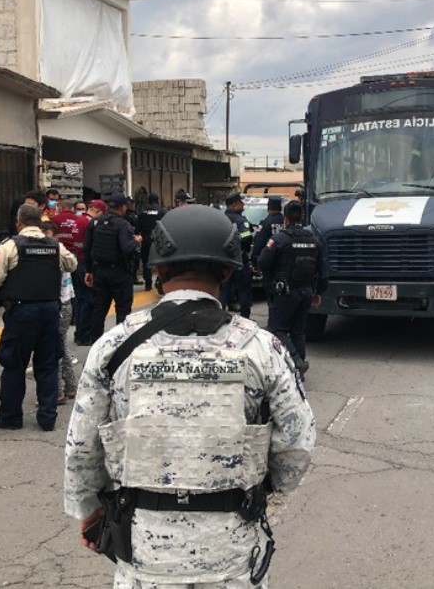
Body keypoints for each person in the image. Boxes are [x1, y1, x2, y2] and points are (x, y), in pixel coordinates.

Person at [64, 204, 315, 589]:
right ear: (229, 271)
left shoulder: (114, 346)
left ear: (159, 271)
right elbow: (297, 444)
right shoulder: (264, 348)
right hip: (232, 554)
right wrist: (262, 490)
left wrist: (91, 509)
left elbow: (82, 447)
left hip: (144, 554)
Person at [0, 204, 77, 431]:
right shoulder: (55, 246)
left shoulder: (9, 246)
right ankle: (47, 419)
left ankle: (11, 417)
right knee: (47, 366)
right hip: (49, 311)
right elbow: (72, 264)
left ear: (19, 223)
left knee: (14, 365)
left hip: (21, 312)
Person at [257, 201, 326, 377]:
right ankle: (298, 371)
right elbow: (323, 270)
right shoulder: (313, 240)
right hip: (306, 292)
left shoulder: (278, 240)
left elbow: (262, 262)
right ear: (301, 217)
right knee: (298, 331)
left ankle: (296, 361)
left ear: (285, 219)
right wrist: (318, 292)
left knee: (277, 329)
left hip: (284, 293)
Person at [83, 193, 140, 343]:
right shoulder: (123, 224)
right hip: (119, 272)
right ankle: (120, 341)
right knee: (123, 309)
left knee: (99, 308)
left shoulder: (95, 222)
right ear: (123, 207)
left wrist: (89, 270)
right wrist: (137, 241)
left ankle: (95, 341)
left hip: (99, 271)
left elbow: (87, 247)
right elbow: (127, 248)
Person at [42, 221, 77, 405]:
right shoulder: (60, 250)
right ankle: (70, 386)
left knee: (52, 349)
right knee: (61, 346)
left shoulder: (57, 251)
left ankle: (57, 391)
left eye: (47, 233)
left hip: (60, 304)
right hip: (63, 302)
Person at [51, 199, 91, 325]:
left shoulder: (55, 219)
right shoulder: (78, 220)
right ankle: (74, 317)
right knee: (75, 290)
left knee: (63, 288)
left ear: (61, 207)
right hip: (75, 255)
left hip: (59, 255)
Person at [74, 199, 107, 346]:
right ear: (99, 211)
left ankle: (79, 332)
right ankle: (84, 334)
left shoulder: (78, 220)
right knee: (89, 300)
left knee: (80, 299)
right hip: (85, 263)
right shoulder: (90, 223)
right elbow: (90, 245)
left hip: (76, 260)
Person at [219, 192, 253, 319]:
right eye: (240, 203)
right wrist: (238, 240)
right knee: (243, 290)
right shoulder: (240, 220)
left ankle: (219, 315)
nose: (243, 205)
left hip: (223, 260)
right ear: (234, 205)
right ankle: (245, 318)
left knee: (223, 290)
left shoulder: (219, 219)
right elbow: (247, 237)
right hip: (239, 260)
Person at [135, 193, 166, 291]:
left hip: (146, 239)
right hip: (159, 239)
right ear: (157, 200)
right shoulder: (162, 212)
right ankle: (160, 281)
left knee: (146, 263)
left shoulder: (142, 212)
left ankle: (148, 284)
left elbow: (137, 228)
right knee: (161, 261)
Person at [250, 196, 284, 271]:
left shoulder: (265, 223)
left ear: (268, 207)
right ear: (280, 208)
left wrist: (255, 261)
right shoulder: (286, 222)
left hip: (270, 262)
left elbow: (259, 242)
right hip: (285, 262)